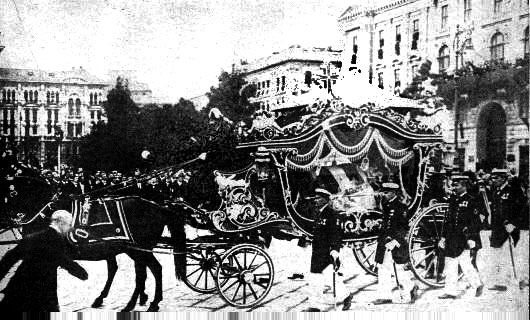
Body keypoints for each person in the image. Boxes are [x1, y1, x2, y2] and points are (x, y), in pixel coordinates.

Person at [0, 210, 88, 311]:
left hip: (17, 290)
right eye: (68, 225)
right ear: (61, 223)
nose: (68, 228)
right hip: (42, 295)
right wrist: (82, 273)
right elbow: (64, 260)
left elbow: (9, 258)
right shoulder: (56, 240)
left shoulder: (32, 237)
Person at [303, 187, 353, 311]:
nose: (316, 200)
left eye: (319, 198)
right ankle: (315, 306)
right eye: (315, 198)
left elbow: (336, 234)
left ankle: (346, 296)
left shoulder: (332, 214)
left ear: (325, 200)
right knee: (316, 277)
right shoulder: (318, 213)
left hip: (327, 251)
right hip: (317, 250)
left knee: (330, 278)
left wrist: (335, 249)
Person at [438, 175, 484, 299]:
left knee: (464, 262)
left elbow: (475, 222)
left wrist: (472, 238)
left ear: (464, 186)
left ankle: (477, 284)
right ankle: (450, 291)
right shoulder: (453, 199)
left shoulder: (471, 200)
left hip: (464, 237)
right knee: (450, 262)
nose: (453, 187)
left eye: (456, 185)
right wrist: (443, 237)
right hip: (451, 236)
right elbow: (447, 220)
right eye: (453, 184)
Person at [372, 182, 419, 305]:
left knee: (397, 268)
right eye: (384, 192)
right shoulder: (386, 205)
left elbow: (403, 228)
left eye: (386, 192)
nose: (384, 194)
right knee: (383, 268)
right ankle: (384, 295)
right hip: (384, 243)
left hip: (395, 243)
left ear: (394, 193)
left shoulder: (401, 207)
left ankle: (411, 287)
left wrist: (395, 241)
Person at [488, 168, 524, 291]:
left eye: (496, 178)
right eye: (492, 178)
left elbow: (522, 209)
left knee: (512, 255)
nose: (493, 180)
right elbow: (494, 212)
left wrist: (514, 224)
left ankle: (519, 280)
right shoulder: (495, 192)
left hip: (510, 228)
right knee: (497, 256)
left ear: (503, 178)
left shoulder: (514, 191)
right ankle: (501, 282)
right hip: (498, 229)